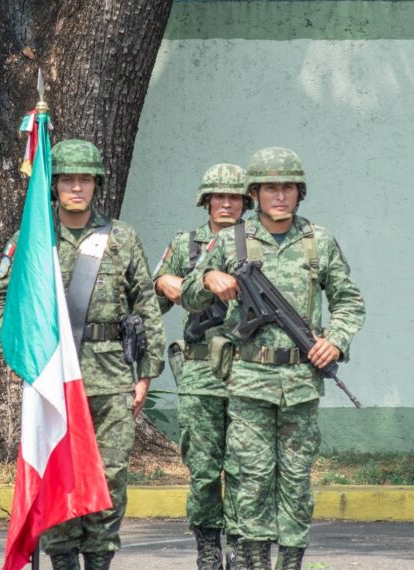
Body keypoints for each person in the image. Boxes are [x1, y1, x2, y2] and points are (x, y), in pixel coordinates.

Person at [180, 147, 366, 570]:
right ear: (255, 193)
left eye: (287, 188)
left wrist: (335, 341)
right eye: (269, 188)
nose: (279, 196)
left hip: (300, 382)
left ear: (299, 193)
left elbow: (349, 301)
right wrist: (210, 277)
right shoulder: (231, 239)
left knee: (296, 482)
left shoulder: (318, 242)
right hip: (248, 381)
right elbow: (189, 293)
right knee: (252, 480)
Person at [0, 139, 165, 570]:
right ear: (55, 185)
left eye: (85, 179)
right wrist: (26, 352)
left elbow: (146, 307)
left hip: (110, 377)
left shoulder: (121, 238)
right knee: (59, 478)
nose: (77, 188)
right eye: (68, 179)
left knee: (108, 480)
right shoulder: (31, 239)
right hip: (53, 380)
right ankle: (63, 560)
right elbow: (0, 304)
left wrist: (146, 373)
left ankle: (99, 560)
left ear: (96, 184)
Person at [152, 163, 249, 569]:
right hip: (199, 370)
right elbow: (150, 302)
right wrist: (162, 283)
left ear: (246, 200)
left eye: (234, 196)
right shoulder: (185, 243)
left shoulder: (257, 241)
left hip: (249, 370)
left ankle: (245, 548)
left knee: (247, 466)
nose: (226, 203)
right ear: (206, 200)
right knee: (204, 468)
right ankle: (208, 549)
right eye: (218, 196)